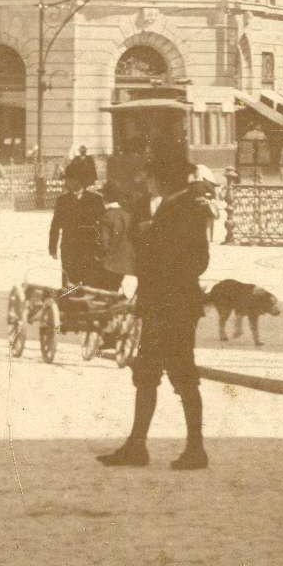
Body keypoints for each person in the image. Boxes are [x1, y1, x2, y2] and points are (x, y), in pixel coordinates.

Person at [99, 137, 210, 471]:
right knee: (147, 374)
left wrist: (148, 238)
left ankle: (194, 449)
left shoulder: (186, 208)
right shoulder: (173, 206)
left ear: (162, 178)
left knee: (181, 376)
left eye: (149, 176)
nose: (145, 181)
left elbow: (195, 260)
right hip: (163, 303)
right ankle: (138, 446)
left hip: (172, 306)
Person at [48, 156, 110, 290]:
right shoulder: (62, 200)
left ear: (78, 181)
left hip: (89, 247)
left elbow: (103, 225)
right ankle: (68, 306)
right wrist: (52, 246)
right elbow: (55, 224)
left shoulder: (95, 199)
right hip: (68, 246)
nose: (66, 183)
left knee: (88, 280)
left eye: (69, 180)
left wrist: (101, 247)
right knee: (69, 281)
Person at [99, 190, 137, 294]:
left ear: (105, 200)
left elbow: (104, 241)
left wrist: (101, 256)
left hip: (112, 261)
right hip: (128, 260)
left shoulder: (107, 215)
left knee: (109, 290)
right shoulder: (127, 214)